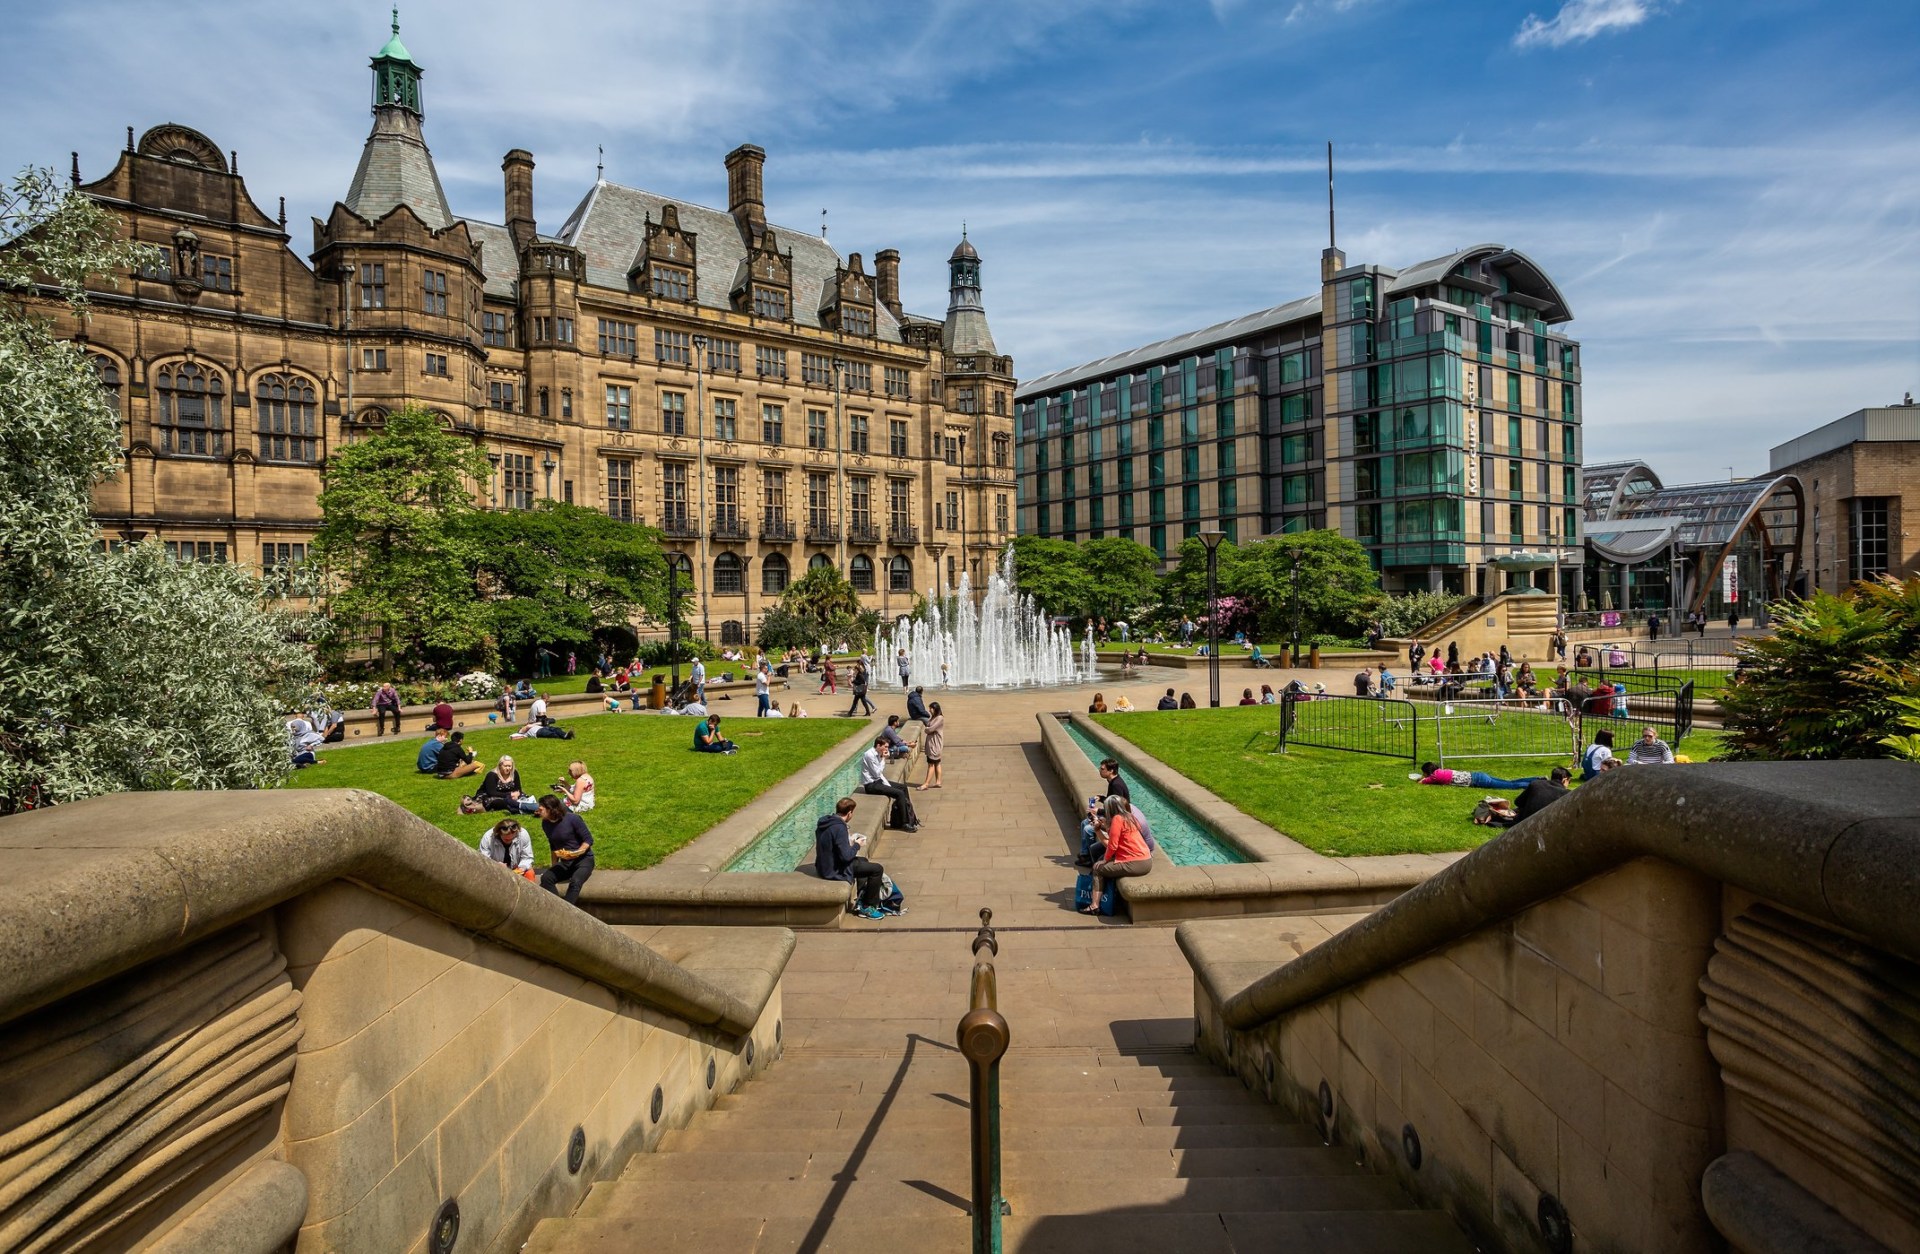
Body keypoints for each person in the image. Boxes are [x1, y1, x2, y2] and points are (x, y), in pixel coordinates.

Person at [815, 797, 888, 917]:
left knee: (864, 861)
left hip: (823, 865)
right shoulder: (839, 828)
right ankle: (868, 906)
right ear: (849, 813)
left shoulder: (825, 822)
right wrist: (857, 845)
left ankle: (861, 898)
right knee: (877, 869)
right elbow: (846, 857)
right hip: (834, 870)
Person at [1085, 796, 1152, 913]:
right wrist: (1104, 826)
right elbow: (1122, 836)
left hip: (1135, 863)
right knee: (1102, 860)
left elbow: (1112, 846)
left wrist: (1097, 831)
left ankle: (1094, 906)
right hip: (1146, 861)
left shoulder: (1117, 819)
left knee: (1098, 868)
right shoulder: (1130, 817)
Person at [535, 795, 594, 904]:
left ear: (550, 809)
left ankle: (568, 910)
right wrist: (554, 866)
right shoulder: (546, 824)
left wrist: (577, 853)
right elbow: (553, 845)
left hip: (583, 860)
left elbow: (588, 840)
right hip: (566, 862)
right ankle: (558, 906)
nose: (538, 811)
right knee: (546, 878)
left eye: (541, 809)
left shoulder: (573, 819)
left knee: (576, 881)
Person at [859, 735, 918, 830]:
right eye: (885, 746)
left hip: (879, 781)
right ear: (878, 745)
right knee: (899, 794)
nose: (887, 749)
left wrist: (887, 783)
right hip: (871, 785)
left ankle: (910, 816)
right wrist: (883, 759)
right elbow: (877, 773)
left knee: (903, 787)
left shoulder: (878, 753)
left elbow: (880, 776)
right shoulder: (869, 755)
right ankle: (904, 823)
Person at [477, 755, 541, 814]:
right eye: (505, 766)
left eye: (509, 766)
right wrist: (509, 795)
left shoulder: (514, 773)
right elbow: (491, 792)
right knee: (499, 802)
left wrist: (516, 795)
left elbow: (518, 789)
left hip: (510, 795)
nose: (508, 768)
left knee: (524, 797)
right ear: (500, 765)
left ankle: (524, 808)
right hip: (492, 796)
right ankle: (519, 807)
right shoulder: (492, 775)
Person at [1417, 763, 1545, 790]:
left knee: (1510, 785)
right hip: (1478, 775)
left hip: (1478, 780)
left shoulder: (1435, 777)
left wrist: (1421, 779)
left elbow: (1422, 782)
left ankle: (1535, 784)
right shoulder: (1441, 771)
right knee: (1510, 782)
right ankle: (1537, 779)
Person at [918, 702, 945, 790]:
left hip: (935, 744)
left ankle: (926, 784)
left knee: (931, 764)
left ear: (935, 709)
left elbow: (930, 729)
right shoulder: (933, 717)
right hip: (932, 744)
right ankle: (938, 782)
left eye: (931, 709)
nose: (929, 710)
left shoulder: (940, 718)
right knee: (937, 763)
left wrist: (926, 729)